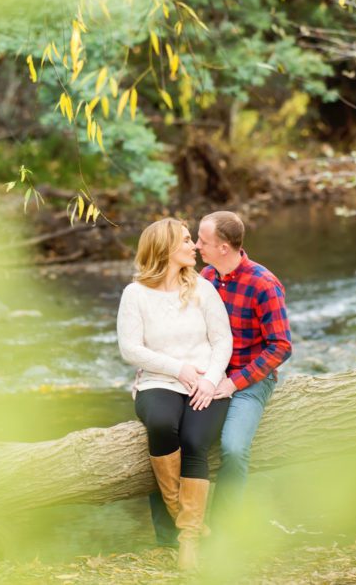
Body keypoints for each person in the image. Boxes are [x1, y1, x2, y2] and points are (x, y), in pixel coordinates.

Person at [149, 210, 293, 544]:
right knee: (169, 435)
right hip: (206, 375)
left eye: (203, 241)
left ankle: (224, 534)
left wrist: (233, 382)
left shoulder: (263, 284)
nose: (197, 246)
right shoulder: (207, 278)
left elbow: (281, 346)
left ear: (224, 247)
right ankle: (173, 534)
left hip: (248, 381)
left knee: (232, 448)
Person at [117, 218, 233, 570]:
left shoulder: (203, 288)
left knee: (196, 440)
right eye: (186, 240)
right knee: (162, 423)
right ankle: (191, 523)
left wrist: (211, 379)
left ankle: (188, 543)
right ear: (166, 248)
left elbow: (222, 340)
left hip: (205, 384)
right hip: (159, 382)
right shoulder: (135, 294)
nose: (194, 246)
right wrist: (178, 369)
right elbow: (130, 349)